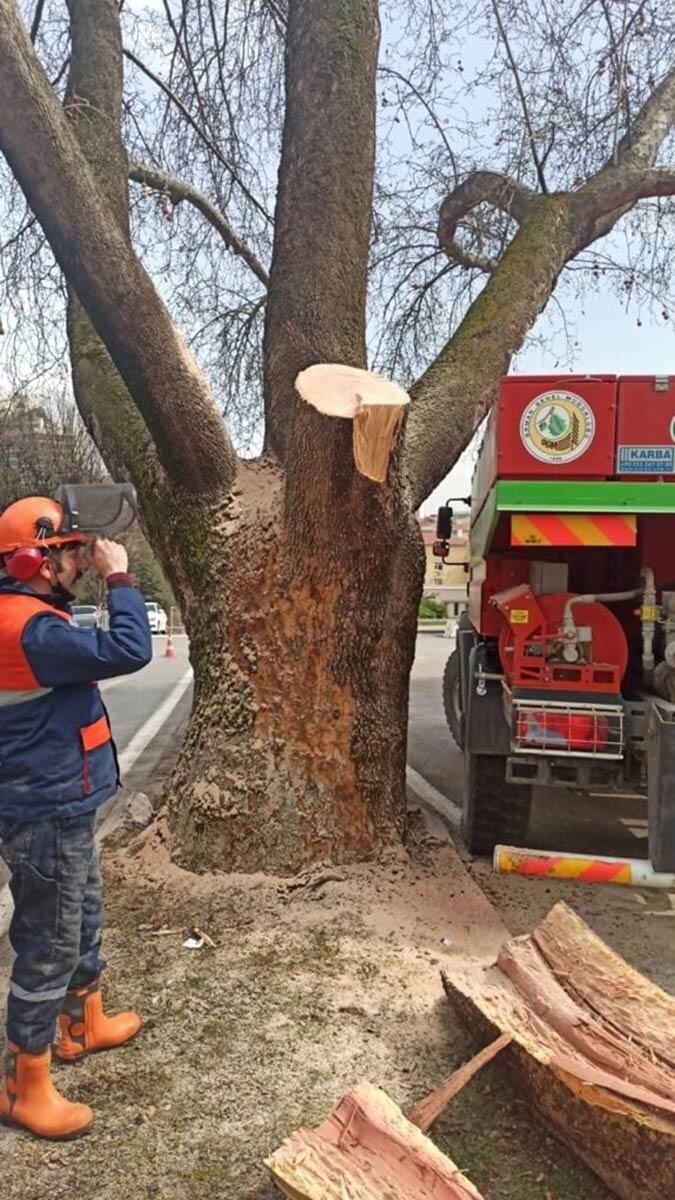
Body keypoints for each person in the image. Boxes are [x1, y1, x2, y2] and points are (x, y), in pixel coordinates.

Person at [0, 495, 152, 1139]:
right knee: (49, 938)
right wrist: (120, 577)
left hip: (64, 795)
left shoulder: (32, 615)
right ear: (35, 558)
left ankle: (81, 1022)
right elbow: (129, 649)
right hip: (44, 803)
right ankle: (23, 1082)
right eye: (69, 552)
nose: (80, 562)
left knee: (82, 913)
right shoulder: (29, 628)